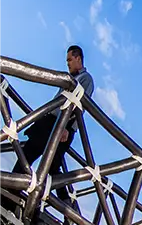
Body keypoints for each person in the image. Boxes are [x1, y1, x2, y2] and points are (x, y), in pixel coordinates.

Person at [17, 45, 94, 203]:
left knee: (52, 164)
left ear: (78, 58)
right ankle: (12, 189)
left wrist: (66, 126)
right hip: (50, 121)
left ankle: (64, 203)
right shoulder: (69, 79)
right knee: (28, 153)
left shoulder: (85, 79)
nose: (67, 63)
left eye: (70, 60)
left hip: (61, 125)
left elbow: (79, 104)